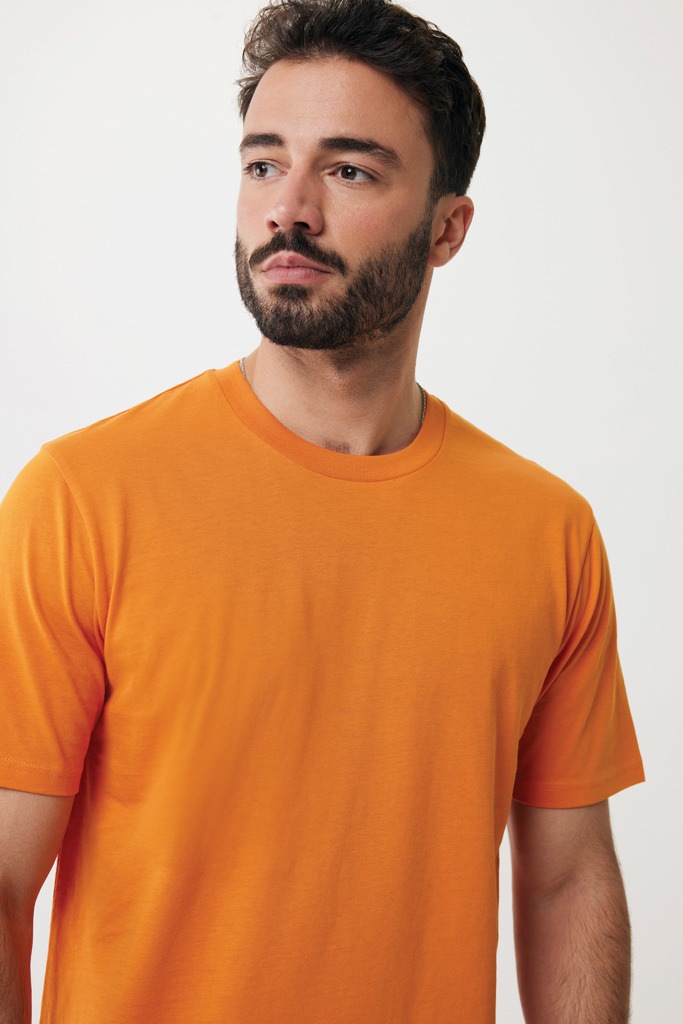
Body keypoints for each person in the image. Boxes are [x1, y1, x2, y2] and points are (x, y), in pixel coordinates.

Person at [0, 0, 644, 1021]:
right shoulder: (82, 499)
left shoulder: (544, 531)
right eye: (264, 164)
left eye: (348, 171)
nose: (288, 209)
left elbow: (568, 879)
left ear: (446, 229)